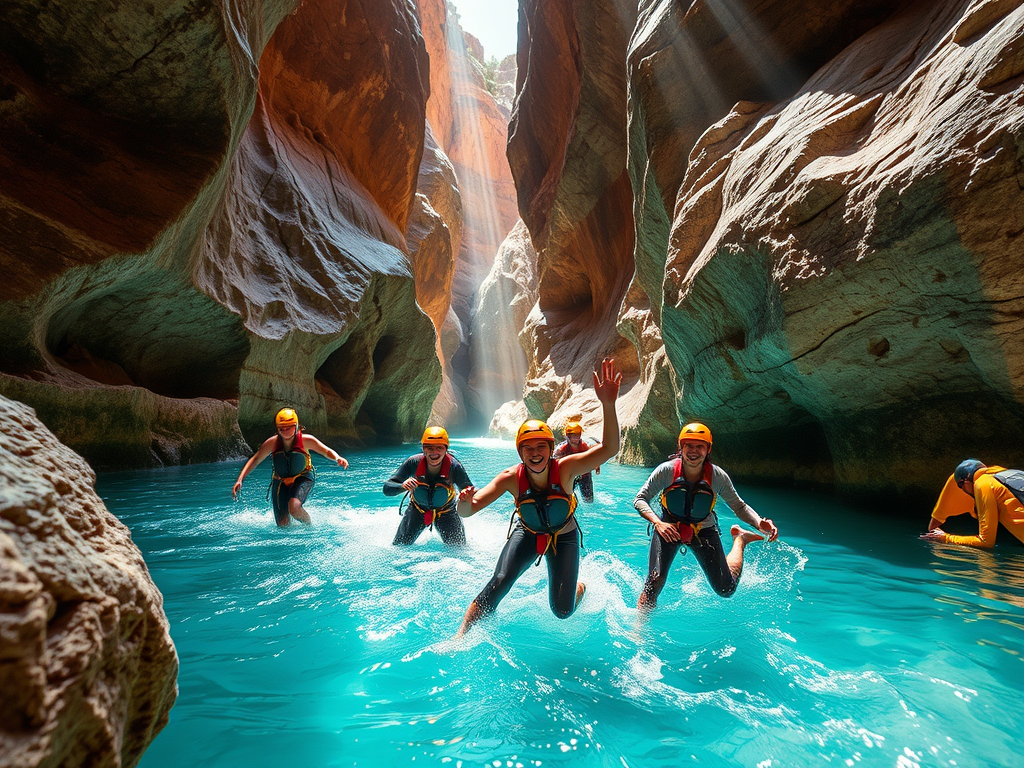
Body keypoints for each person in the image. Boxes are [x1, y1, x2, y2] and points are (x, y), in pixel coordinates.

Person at [454, 358, 622, 637]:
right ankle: (460, 636)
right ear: (520, 453)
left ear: (550, 448)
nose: (534, 453)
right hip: (527, 533)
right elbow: (469, 511)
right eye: (528, 448)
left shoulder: (566, 469)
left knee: (563, 611)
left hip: (564, 534)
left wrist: (608, 404)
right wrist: (463, 503)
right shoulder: (510, 477)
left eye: (540, 447)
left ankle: (578, 588)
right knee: (498, 584)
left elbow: (610, 449)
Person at [634, 422, 778, 623]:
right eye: (689, 446)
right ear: (681, 447)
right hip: (668, 528)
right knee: (654, 581)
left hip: (703, 529)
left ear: (708, 449)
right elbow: (640, 499)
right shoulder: (666, 471)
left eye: (699, 446)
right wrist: (658, 523)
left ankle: (740, 539)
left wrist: (759, 523)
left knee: (726, 589)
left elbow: (739, 506)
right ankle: (639, 628)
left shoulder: (717, 476)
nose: (693, 451)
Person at [232, 408, 348, 526]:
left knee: (294, 507)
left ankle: (309, 528)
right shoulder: (272, 443)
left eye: (289, 428)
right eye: (282, 429)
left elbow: (326, 451)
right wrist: (240, 479)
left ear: (296, 426)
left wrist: (337, 458)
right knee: (282, 524)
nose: (285, 431)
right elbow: (256, 459)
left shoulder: (306, 440)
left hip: (302, 477)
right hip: (280, 480)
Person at [382, 427, 473, 547]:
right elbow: (387, 489)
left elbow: (469, 490)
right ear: (423, 449)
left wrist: (467, 495)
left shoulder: (454, 466)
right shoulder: (413, 463)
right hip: (417, 511)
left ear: (446, 449)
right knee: (399, 547)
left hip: (447, 512)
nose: (434, 452)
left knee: (459, 550)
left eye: (439, 448)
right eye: (429, 448)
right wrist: (402, 486)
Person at [920, 459, 1024, 548]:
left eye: (961, 485)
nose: (964, 491)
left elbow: (986, 542)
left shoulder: (982, 484)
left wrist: (946, 538)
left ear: (967, 478)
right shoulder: (1013, 473)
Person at [553, 418, 601, 503]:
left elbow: (593, 458)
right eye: (574, 436)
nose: (576, 438)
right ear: (568, 436)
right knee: (567, 498)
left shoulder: (584, 446)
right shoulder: (561, 450)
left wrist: (597, 466)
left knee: (588, 500)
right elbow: (554, 465)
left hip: (584, 474)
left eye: (578, 435)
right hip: (569, 475)